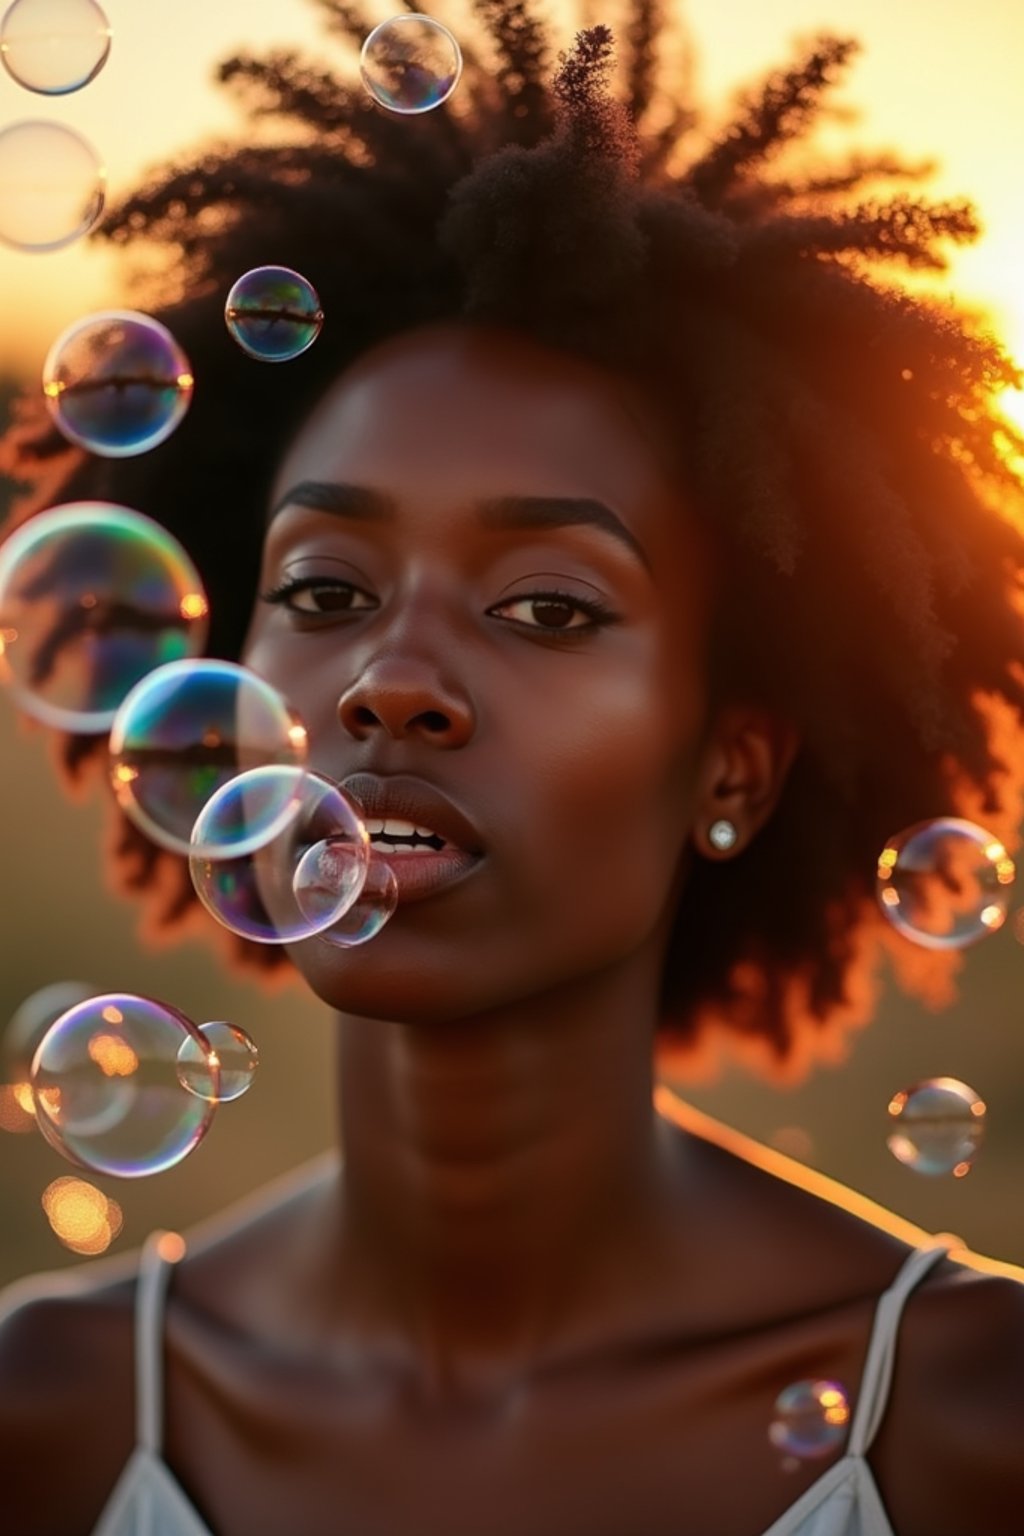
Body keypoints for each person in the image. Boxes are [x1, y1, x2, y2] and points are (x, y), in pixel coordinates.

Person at [1, 3, 1023, 1532]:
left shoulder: (969, 1420)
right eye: (326, 593)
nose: (393, 683)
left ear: (731, 769)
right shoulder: (53, 1417)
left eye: (548, 605)